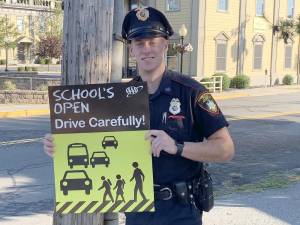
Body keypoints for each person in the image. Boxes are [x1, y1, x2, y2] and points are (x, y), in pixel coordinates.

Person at [44, 6, 235, 225]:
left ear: (165, 44)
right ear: (131, 50)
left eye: (153, 41)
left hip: (181, 213)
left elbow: (226, 149)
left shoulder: (191, 92)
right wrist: (63, 145)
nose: (146, 49)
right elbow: (98, 144)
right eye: (139, 43)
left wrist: (177, 147)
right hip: (137, 214)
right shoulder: (119, 98)